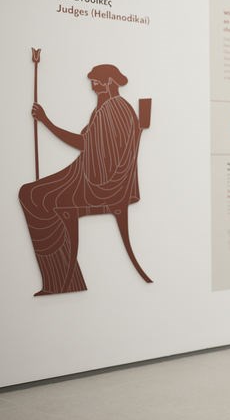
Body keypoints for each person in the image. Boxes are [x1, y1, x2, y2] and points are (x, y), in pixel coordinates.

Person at [19, 64, 142, 295]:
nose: (93, 87)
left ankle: (61, 281)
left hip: (100, 187)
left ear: (109, 82)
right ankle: (65, 279)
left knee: (32, 195)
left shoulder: (113, 109)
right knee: (33, 193)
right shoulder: (107, 109)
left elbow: (84, 144)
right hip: (93, 179)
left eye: (96, 83)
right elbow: (90, 142)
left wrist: (46, 122)